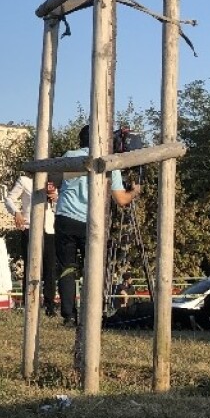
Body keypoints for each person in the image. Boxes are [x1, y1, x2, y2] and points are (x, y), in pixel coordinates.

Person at [53, 125, 140, 326]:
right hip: (90, 221)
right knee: (93, 268)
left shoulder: (70, 156)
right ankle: (93, 314)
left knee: (67, 268)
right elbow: (120, 199)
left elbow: (57, 181)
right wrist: (134, 191)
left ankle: (68, 315)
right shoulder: (109, 162)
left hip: (65, 217)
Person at [3, 173, 57, 315]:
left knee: (50, 268)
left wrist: (56, 199)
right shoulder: (25, 181)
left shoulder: (52, 181)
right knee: (31, 267)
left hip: (49, 229)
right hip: (30, 228)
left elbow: (59, 204)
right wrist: (16, 213)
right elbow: (9, 199)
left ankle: (50, 305)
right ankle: (30, 304)